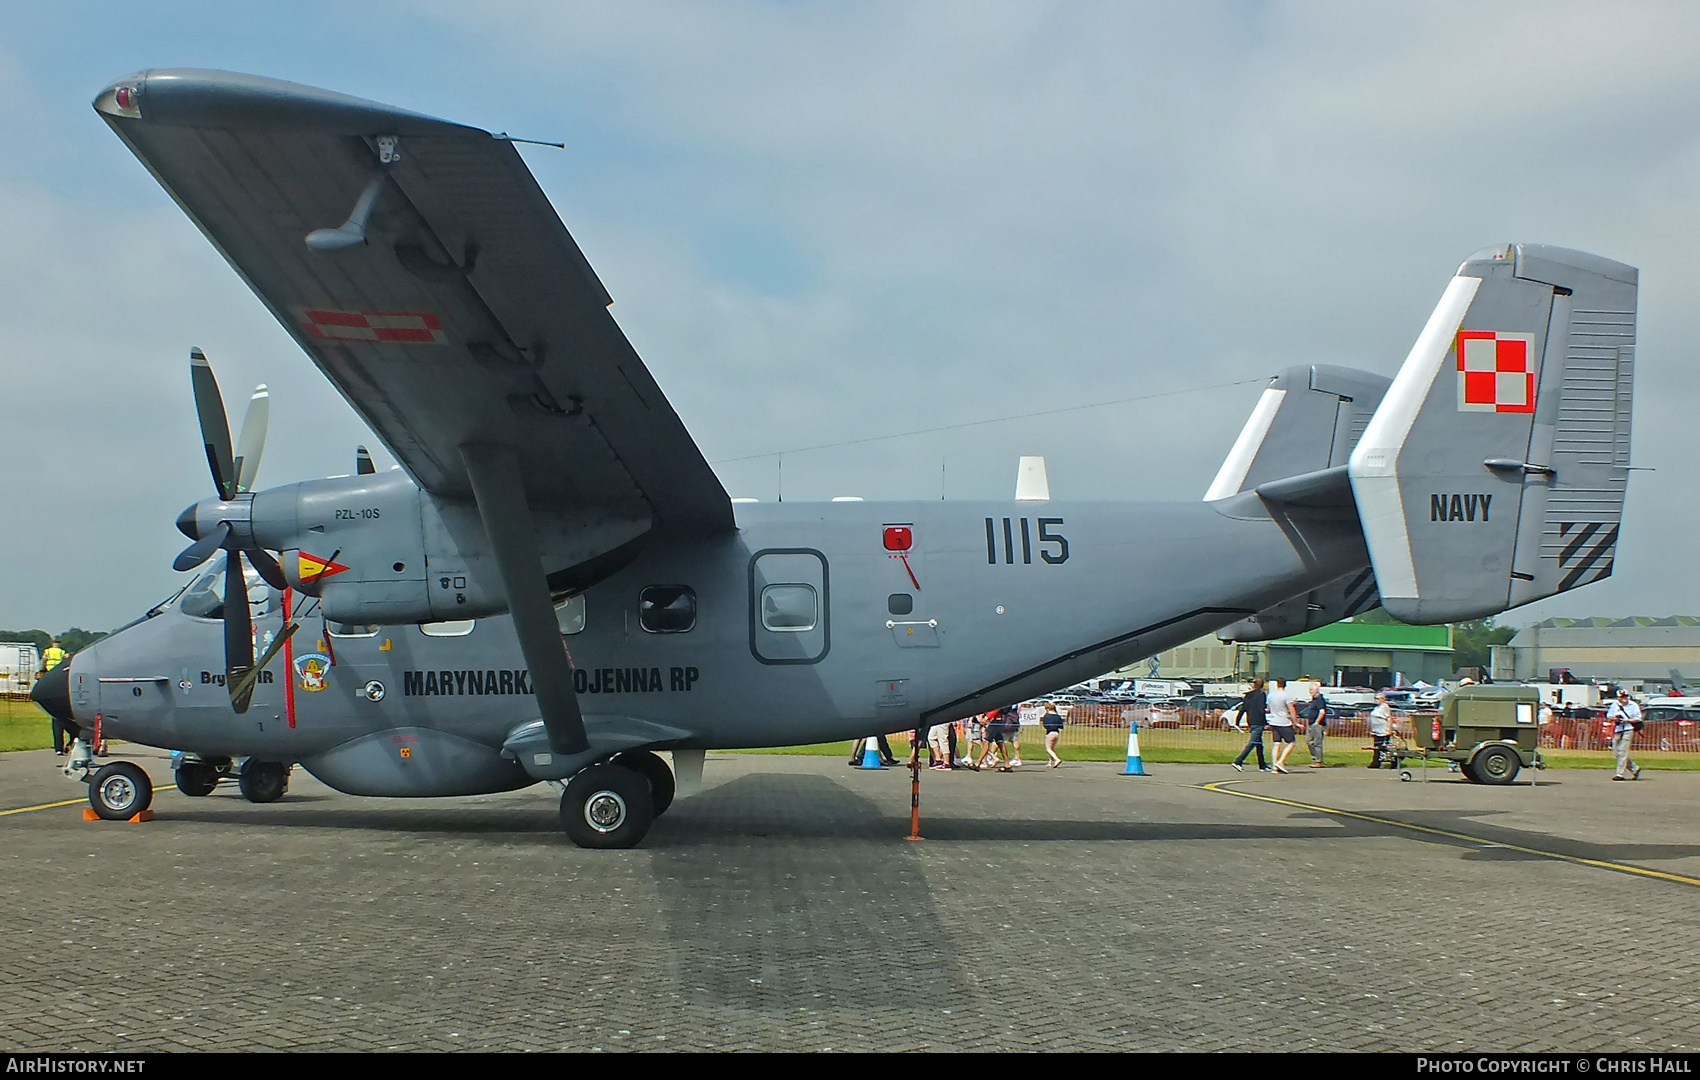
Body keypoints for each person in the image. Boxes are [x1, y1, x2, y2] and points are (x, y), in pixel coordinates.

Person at [1230, 678, 1271, 772]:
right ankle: (1238, 761)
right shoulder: (1261, 695)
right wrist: (1266, 722)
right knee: (1252, 743)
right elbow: (1261, 709)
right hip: (1258, 721)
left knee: (1259, 744)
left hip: (1251, 721)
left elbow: (1243, 709)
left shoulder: (1248, 696)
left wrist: (1237, 721)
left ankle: (1262, 764)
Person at [1606, 689, 1643, 781]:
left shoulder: (1633, 705)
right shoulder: (1614, 705)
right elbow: (1609, 716)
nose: (1624, 699)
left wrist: (1627, 720)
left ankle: (1620, 774)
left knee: (1623, 751)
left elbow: (1638, 718)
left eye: (1626, 696)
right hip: (1618, 729)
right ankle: (1634, 768)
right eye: (1622, 697)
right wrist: (1616, 718)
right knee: (1616, 751)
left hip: (1628, 729)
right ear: (1618, 698)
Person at [1266, 677, 1297, 773]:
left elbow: (1269, 708)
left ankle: (1274, 765)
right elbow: (1292, 709)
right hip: (1283, 721)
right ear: (1285, 685)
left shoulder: (1270, 695)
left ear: (1277, 684)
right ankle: (1280, 761)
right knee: (1291, 742)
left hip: (1274, 721)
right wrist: (1295, 722)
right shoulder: (1286, 696)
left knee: (1276, 743)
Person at [1302, 684, 1329, 768]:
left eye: (1311, 690)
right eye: (1310, 690)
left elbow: (1322, 712)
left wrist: (1317, 722)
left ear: (1316, 690)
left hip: (1318, 725)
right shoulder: (1314, 700)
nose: (1310, 692)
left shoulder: (1320, 699)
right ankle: (1314, 759)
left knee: (1317, 743)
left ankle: (1318, 761)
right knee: (1309, 742)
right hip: (1311, 724)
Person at [1368, 692, 1393, 768]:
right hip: (1376, 730)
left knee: (1384, 748)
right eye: (1375, 698)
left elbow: (1389, 718)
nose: (1376, 700)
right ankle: (1376, 763)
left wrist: (1388, 730)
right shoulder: (1377, 707)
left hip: (1383, 731)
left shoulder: (1384, 706)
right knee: (1376, 747)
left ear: (1383, 699)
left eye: (1378, 698)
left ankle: (1393, 762)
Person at [1041, 701, 1066, 767]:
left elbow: (1045, 725)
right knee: (1052, 748)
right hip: (1056, 733)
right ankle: (1050, 762)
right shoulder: (1057, 716)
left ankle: (1057, 759)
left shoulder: (1047, 716)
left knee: (1048, 749)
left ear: (1047, 709)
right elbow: (1061, 726)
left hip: (1050, 732)